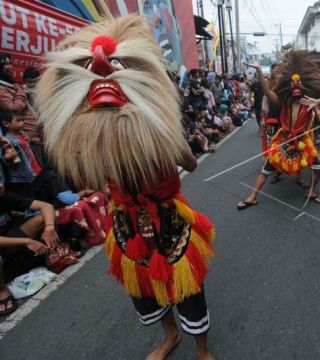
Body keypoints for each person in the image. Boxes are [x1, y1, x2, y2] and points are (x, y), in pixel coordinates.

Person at [36, 16, 215, 359]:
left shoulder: (159, 131)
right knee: (143, 285)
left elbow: (188, 162)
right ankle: (170, 336)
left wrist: (170, 143)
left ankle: (202, 349)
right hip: (125, 221)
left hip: (168, 217)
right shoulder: (91, 136)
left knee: (187, 285)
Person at [237, 51, 320, 210]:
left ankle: (311, 191)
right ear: (288, 87)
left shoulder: (309, 102)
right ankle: (252, 197)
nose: (295, 88)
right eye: (293, 86)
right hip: (284, 140)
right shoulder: (281, 101)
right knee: (267, 168)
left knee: (319, 167)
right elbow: (266, 92)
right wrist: (259, 70)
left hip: (302, 140)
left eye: (299, 85)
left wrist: (317, 101)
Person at [0, 179, 59, 316]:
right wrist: (27, 241)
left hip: (12, 235)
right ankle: (2, 290)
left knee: (47, 217)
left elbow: (46, 206)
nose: (1, 185)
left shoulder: (4, 194)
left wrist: (49, 228)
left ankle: (53, 253)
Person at [0, 54, 42, 145]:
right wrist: (20, 91)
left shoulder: (10, 84)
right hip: (27, 136)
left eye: (10, 63)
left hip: (36, 133)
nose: (10, 67)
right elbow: (13, 109)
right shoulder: (3, 87)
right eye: (6, 64)